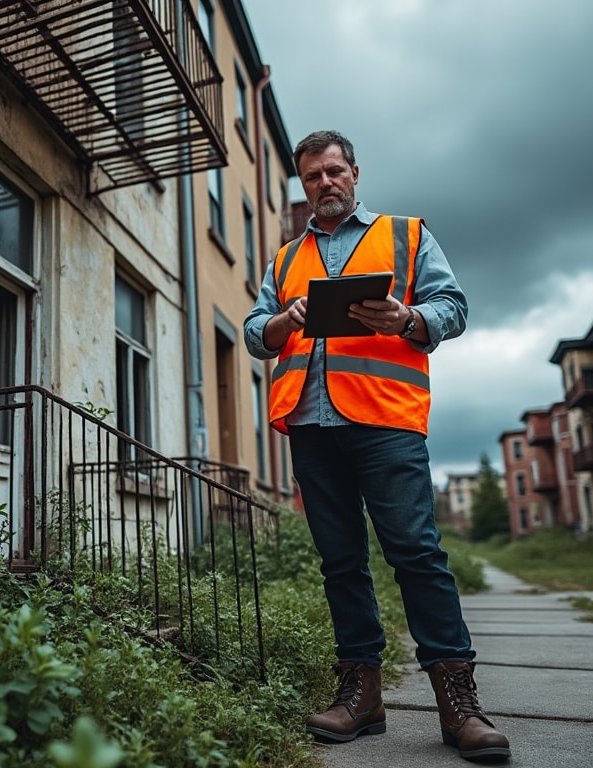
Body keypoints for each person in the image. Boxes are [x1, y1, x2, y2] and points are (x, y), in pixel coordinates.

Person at [243, 130, 510, 763]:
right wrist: (284, 320)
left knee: (415, 551)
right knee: (340, 562)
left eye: (334, 172)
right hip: (310, 424)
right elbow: (257, 331)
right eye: (312, 177)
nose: (324, 184)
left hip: (386, 421)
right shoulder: (284, 260)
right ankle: (361, 697)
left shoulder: (407, 234)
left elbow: (453, 305)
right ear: (303, 186)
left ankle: (459, 705)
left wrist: (409, 320)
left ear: (355, 175)